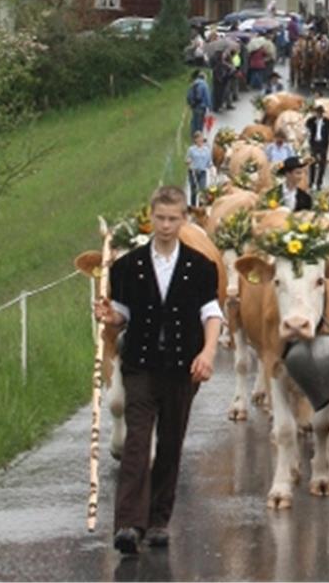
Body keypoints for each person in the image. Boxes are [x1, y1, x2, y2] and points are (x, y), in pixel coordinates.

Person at [93, 185, 224, 555]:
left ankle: (158, 522)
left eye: (173, 219)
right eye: (160, 218)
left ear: (184, 219)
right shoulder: (127, 266)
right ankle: (128, 525)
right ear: (151, 218)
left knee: (170, 442)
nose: (166, 225)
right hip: (141, 365)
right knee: (136, 442)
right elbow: (123, 314)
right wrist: (110, 316)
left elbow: (211, 315)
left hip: (182, 367)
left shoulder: (200, 268)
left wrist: (208, 353)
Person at [304, 104, 329, 191]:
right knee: (312, 162)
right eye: (317, 113)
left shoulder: (328, 122)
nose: (318, 114)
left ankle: (319, 183)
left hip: (323, 145)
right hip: (314, 144)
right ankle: (311, 182)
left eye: (320, 113)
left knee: (322, 164)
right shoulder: (310, 121)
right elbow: (307, 131)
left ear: (322, 113)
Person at [185, 131, 212, 206]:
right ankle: (193, 206)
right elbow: (187, 160)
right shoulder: (191, 149)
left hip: (202, 172)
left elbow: (209, 162)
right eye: (199, 138)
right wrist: (188, 161)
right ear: (195, 140)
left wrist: (212, 169)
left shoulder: (207, 150)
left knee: (202, 191)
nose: (200, 140)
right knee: (194, 191)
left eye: (201, 138)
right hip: (193, 172)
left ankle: (200, 207)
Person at [186, 71, 212, 139]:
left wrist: (190, 104)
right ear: (204, 77)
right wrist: (209, 107)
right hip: (201, 107)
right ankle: (198, 139)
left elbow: (188, 96)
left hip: (194, 106)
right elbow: (207, 96)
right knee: (200, 124)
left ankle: (192, 136)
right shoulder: (204, 84)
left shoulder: (193, 84)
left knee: (194, 121)